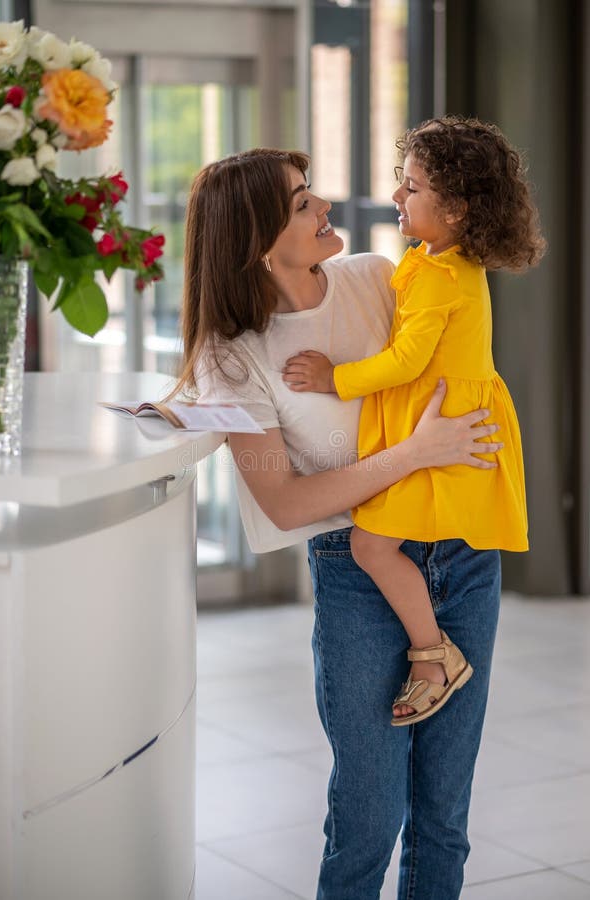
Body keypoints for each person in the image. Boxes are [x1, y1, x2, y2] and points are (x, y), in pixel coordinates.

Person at [174, 147, 506, 900]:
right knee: (368, 812)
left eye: (312, 193)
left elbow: (448, 357)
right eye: (301, 204)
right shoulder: (233, 356)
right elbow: (286, 501)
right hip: (357, 569)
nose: (325, 208)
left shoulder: (377, 278)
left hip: (459, 549)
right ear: (255, 238)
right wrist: (416, 451)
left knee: (443, 812)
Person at [281, 116, 546, 727]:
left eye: (411, 187)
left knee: (371, 544)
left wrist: (333, 379)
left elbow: (406, 362)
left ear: (453, 208)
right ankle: (433, 652)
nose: (397, 196)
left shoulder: (438, 277)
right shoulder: (442, 262)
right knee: (377, 542)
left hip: (444, 426)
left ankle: (434, 656)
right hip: (444, 417)